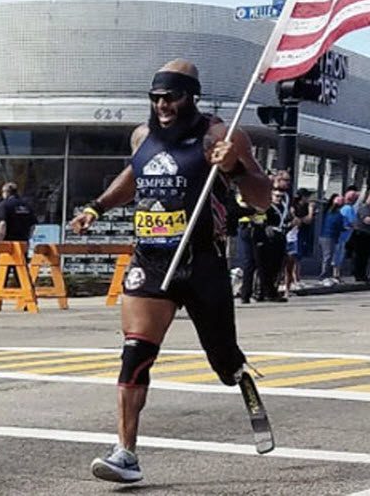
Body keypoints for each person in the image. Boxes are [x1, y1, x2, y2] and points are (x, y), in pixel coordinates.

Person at [68, 60, 271, 483]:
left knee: (222, 360)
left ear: (191, 97)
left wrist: (233, 167)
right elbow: (134, 174)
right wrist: (96, 207)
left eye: (172, 97)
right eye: (156, 98)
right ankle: (125, 453)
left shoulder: (221, 135)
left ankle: (238, 373)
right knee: (135, 353)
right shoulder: (142, 135)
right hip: (152, 260)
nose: (163, 106)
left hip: (202, 262)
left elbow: (262, 198)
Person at [318, 194, 344, 280]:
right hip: (330, 236)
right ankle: (324, 274)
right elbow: (339, 227)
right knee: (328, 256)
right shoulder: (338, 215)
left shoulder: (327, 212)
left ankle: (325, 273)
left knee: (326, 256)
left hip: (323, 235)